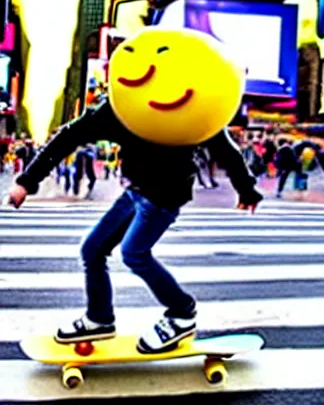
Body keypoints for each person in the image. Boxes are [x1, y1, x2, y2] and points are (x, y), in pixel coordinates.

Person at [8, 98, 262, 353]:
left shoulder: (189, 104)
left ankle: (182, 312)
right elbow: (70, 136)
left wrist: (247, 189)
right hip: (135, 192)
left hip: (163, 197)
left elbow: (224, 149)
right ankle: (99, 318)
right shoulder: (124, 102)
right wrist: (27, 181)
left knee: (134, 254)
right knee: (92, 249)